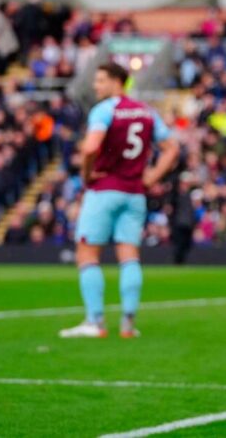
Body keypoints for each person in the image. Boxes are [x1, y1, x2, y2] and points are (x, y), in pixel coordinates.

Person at [59, 63, 179, 339]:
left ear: (117, 81)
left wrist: (87, 175)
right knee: (129, 256)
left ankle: (95, 322)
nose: (95, 85)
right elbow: (172, 147)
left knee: (87, 253)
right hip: (135, 193)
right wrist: (152, 177)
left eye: (100, 80)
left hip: (104, 190)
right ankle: (128, 324)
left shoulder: (104, 110)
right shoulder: (147, 112)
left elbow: (90, 148)